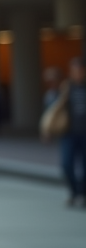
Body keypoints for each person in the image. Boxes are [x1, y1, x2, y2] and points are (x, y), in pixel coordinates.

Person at [42, 57, 86, 207]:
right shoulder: (66, 87)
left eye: (80, 70)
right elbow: (53, 110)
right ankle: (74, 192)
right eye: (74, 71)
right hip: (69, 133)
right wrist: (47, 129)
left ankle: (82, 194)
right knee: (66, 165)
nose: (77, 74)